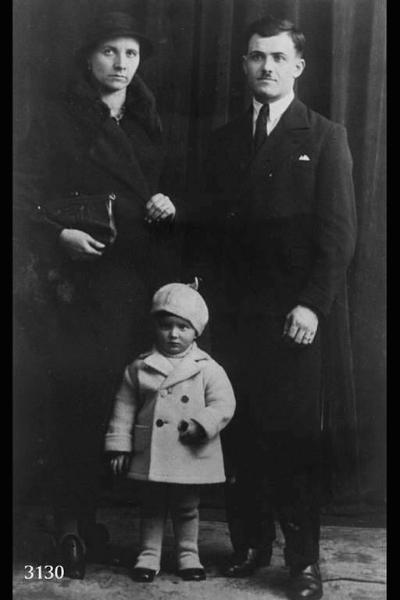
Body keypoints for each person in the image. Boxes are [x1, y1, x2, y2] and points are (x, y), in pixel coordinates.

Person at [195, 15, 357, 600]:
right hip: (234, 316)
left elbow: (339, 238)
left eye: (277, 57)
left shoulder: (323, 135)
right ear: (243, 65)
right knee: (240, 431)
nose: (265, 67)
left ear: (298, 66)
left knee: (291, 440)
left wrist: (312, 306)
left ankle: (303, 563)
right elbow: (210, 234)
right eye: (255, 57)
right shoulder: (223, 141)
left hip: (295, 319)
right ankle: (250, 545)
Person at [14, 11, 180, 579]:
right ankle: (69, 529)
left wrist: (164, 202)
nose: (121, 65)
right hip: (79, 284)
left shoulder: (147, 118)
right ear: (89, 59)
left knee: (121, 403)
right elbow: (20, 195)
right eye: (110, 52)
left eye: (131, 54)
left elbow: (164, 186)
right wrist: (58, 234)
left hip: (137, 280)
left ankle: (92, 527)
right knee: (80, 403)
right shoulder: (60, 119)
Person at [104, 283, 236, 582]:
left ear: (196, 332)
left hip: (189, 449)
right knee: (151, 506)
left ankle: (189, 555)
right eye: (166, 326)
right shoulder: (139, 367)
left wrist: (202, 423)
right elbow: (123, 408)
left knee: (187, 506)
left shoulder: (207, 368)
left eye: (183, 327)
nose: (174, 334)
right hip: (152, 451)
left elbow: (224, 403)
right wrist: (119, 447)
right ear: (155, 327)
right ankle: (148, 555)